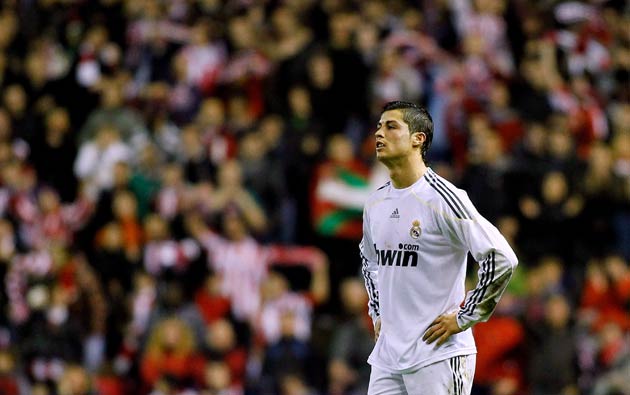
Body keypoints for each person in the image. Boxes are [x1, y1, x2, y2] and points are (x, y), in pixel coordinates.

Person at [360, 101, 518, 394]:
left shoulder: (443, 198)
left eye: (391, 126)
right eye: (379, 127)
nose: (379, 134)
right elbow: (369, 262)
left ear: (418, 139)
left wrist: (465, 316)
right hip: (388, 357)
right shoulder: (375, 203)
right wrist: (378, 312)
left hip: (438, 354)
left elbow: (501, 257)